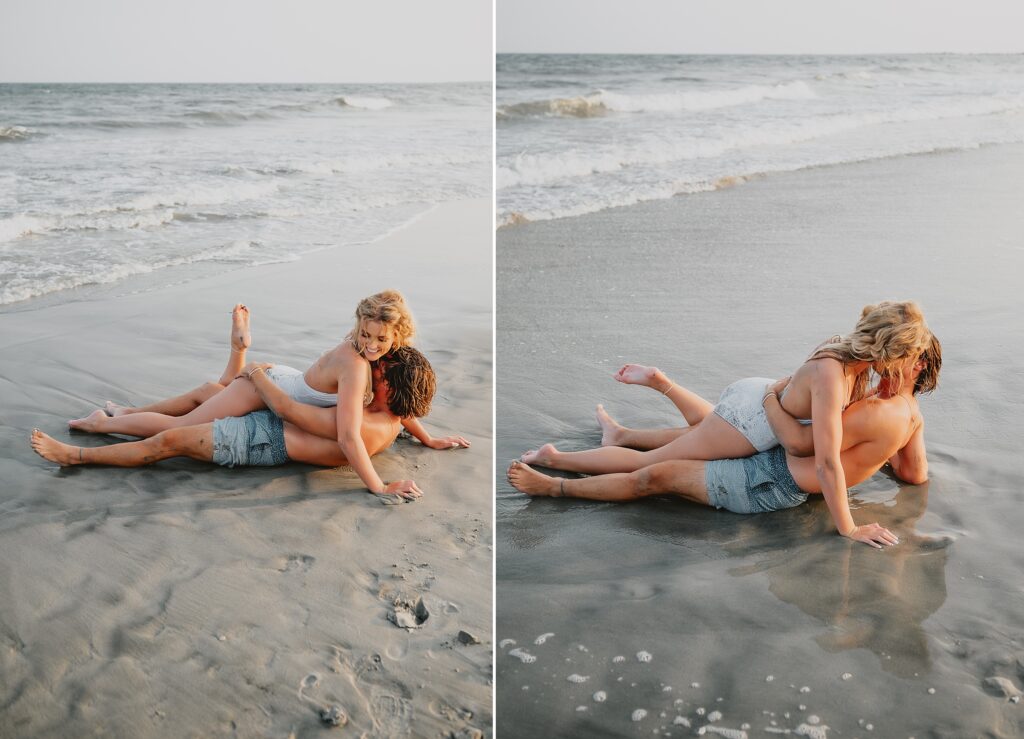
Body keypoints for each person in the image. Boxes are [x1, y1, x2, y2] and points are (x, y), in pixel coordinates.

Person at [519, 301, 933, 547]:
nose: (910, 365)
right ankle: (557, 461)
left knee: (695, 435)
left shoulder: (853, 363)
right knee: (649, 463)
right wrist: (848, 528)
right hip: (754, 419)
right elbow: (820, 458)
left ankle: (625, 429)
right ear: (891, 352)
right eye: (909, 356)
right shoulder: (835, 374)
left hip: (755, 417)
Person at [63, 291, 424, 497]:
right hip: (266, 388)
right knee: (182, 424)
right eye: (365, 334)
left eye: (380, 338)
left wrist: (428, 437)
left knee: (211, 392)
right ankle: (100, 424)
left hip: (288, 384)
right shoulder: (356, 365)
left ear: (397, 335)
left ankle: (126, 413)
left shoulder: (379, 354)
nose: (371, 344)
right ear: (358, 326)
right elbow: (347, 436)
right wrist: (379, 487)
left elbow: (395, 404)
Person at [31, 346, 469, 501]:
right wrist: (429, 439)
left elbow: (292, 413)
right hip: (269, 422)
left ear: (391, 389)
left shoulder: (364, 425)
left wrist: (258, 375)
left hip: (263, 440)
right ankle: (118, 417)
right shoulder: (393, 413)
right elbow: (407, 417)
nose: (371, 370)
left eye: (380, 371)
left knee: (170, 441)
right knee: (209, 391)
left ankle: (76, 456)